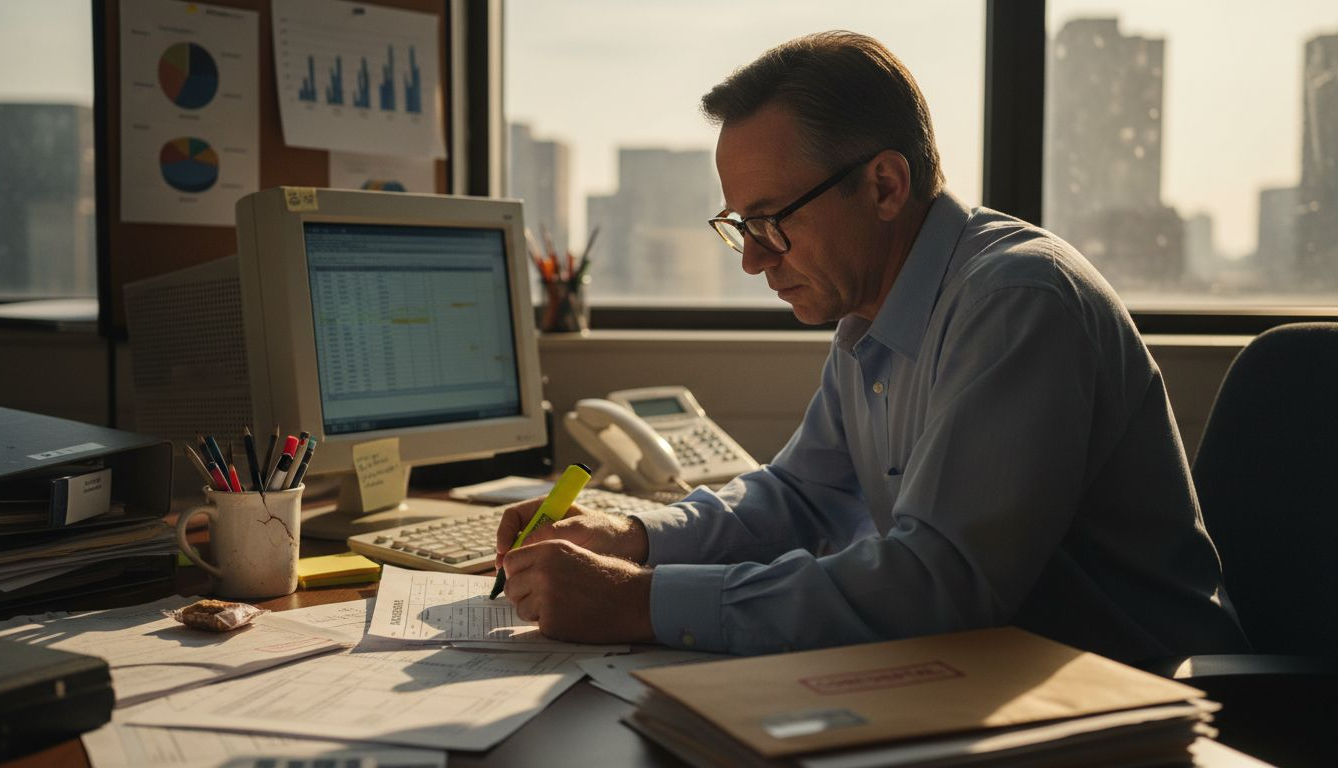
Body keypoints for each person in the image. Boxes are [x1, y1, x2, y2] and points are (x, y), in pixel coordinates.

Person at [494, 31, 1249, 664]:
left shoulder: (1017, 302)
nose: (754, 259)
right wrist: (629, 538)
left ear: (886, 185)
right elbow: (797, 497)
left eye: (771, 220)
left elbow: (938, 584)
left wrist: (637, 601)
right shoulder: (870, 314)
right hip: (987, 675)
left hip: (1134, 698)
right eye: (740, 227)